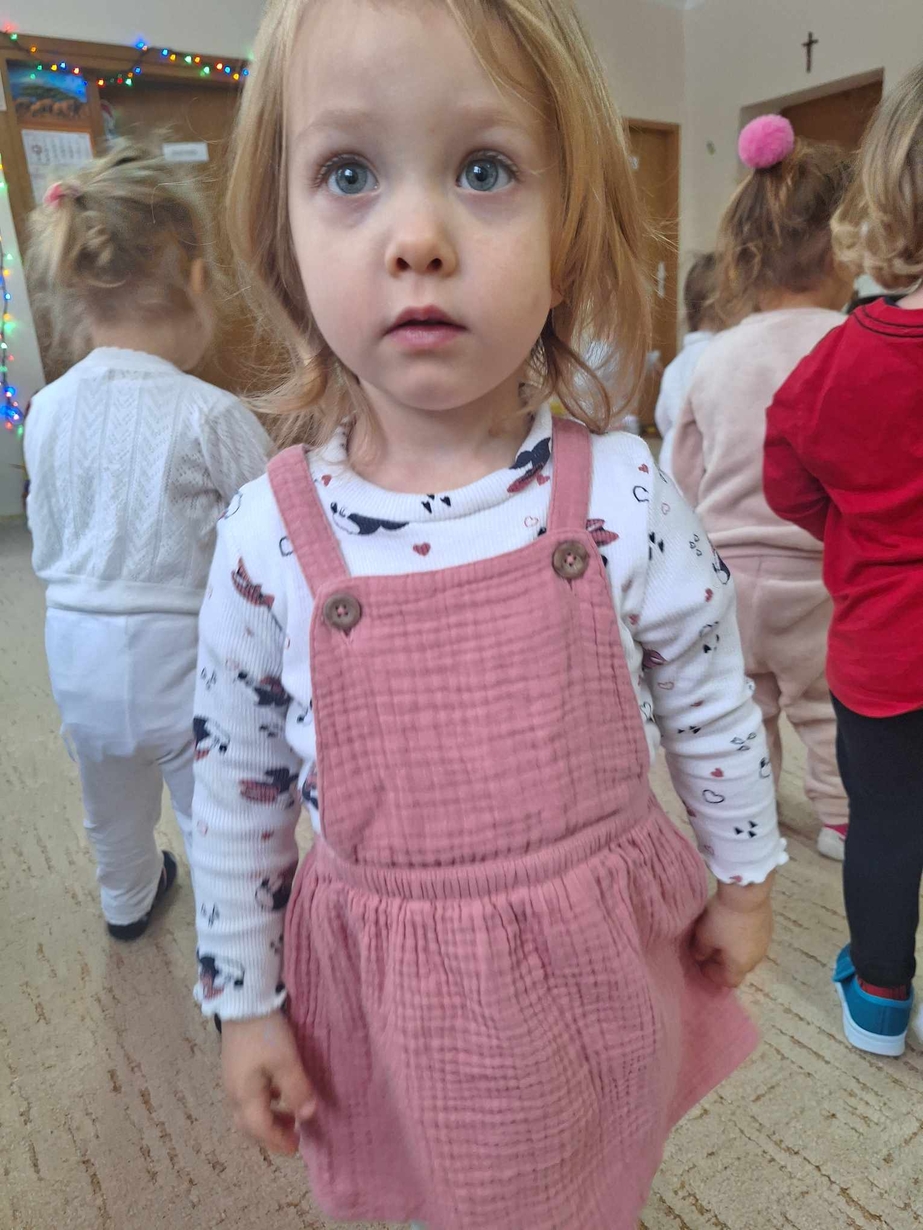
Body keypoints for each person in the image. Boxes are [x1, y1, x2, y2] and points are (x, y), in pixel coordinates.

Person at [190, 2, 786, 1226]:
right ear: (281, 239)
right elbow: (235, 788)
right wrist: (243, 999)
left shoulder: (620, 494)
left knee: (584, 1190)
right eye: (347, 174)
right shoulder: (266, 535)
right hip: (388, 998)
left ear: (567, 238)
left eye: (482, 170)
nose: (417, 239)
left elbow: (709, 698)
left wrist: (740, 877)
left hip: (592, 973)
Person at [24, 139, 272, 942]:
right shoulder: (210, 414)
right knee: (213, 813)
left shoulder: (45, 410)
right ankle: (235, 941)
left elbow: (49, 530)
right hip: (185, 660)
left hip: (75, 657)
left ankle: (126, 902)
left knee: (111, 805)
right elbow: (271, 532)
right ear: (198, 282)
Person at [765, 63, 923, 1058]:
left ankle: (877, 999)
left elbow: (784, 478)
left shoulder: (840, 358)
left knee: (884, 827)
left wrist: (856, 528)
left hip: (882, 650)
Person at [672, 115, 853, 863]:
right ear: (845, 251)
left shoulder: (715, 357)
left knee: (744, 707)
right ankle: (841, 822)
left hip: (725, 572)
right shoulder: (850, 347)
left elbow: (683, 471)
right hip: (816, 574)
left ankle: (751, 816)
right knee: (824, 708)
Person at [655, 253, 717, 475]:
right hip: (703, 468)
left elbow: (662, 418)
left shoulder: (676, 364)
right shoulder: (724, 356)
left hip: (671, 463)